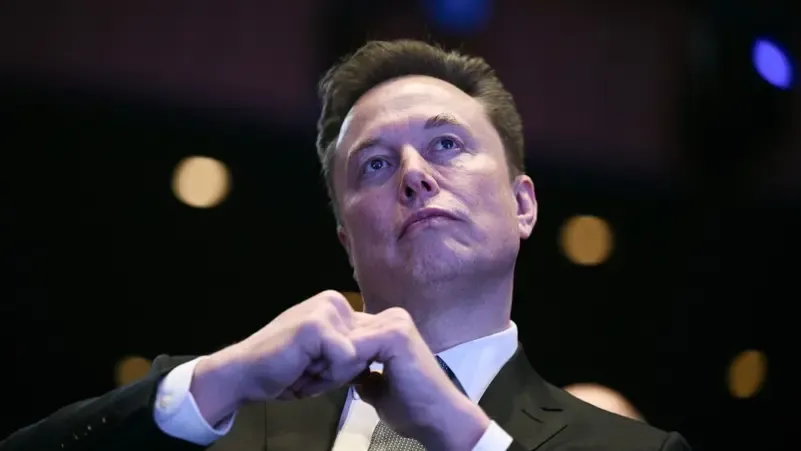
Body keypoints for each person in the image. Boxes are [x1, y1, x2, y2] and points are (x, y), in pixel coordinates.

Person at [1, 39, 691, 451]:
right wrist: (219, 378)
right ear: (346, 242)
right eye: (376, 164)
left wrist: (463, 437)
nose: (414, 175)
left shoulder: (630, 447)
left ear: (522, 205)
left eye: (446, 144)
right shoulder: (233, 416)